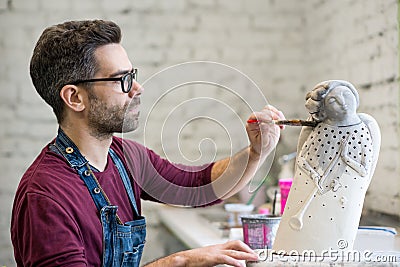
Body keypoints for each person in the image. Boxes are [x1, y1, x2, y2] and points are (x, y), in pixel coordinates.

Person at [11, 19, 285, 267]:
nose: (137, 88)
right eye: (122, 80)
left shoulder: (125, 158)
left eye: (133, 75)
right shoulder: (45, 195)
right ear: (75, 98)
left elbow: (198, 187)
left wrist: (256, 152)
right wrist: (180, 261)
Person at [273, 80, 380, 255]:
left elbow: (365, 171)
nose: (343, 103)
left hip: (343, 203)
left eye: (346, 95)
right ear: (323, 110)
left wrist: (346, 158)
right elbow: (301, 160)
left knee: (335, 242)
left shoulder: (366, 126)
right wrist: (314, 176)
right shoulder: (314, 129)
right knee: (297, 242)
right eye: (333, 101)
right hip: (311, 196)